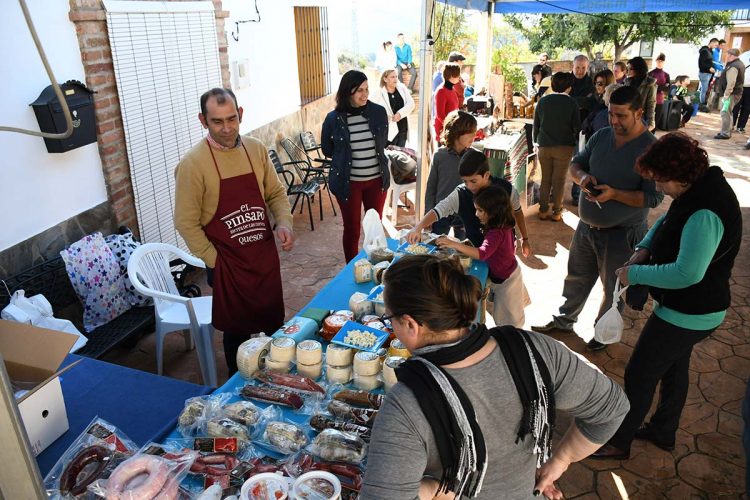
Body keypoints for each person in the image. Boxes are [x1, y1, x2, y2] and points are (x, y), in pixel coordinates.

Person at [361, 254, 630, 499]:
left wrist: (435, 488)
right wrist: (561, 459)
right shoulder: (535, 348)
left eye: (390, 319)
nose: (391, 325)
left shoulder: (406, 405)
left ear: (410, 324)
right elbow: (612, 408)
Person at [592, 133, 742, 460]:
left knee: (639, 373)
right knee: (674, 367)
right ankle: (663, 431)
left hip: (690, 312)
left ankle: (619, 441)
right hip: (694, 309)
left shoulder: (706, 209)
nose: (658, 188)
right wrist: (645, 248)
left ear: (681, 175)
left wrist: (636, 274)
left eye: (661, 181)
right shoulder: (697, 190)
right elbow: (666, 220)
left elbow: (687, 273)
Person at [531, 86, 664, 352]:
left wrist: (614, 194)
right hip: (586, 227)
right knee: (576, 278)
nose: (613, 121)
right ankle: (564, 320)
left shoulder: (651, 149)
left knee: (613, 290)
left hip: (622, 233)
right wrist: (582, 178)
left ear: (639, 113)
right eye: (611, 114)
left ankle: (602, 333)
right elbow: (576, 163)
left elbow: (653, 199)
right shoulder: (602, 136)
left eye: (621, 116)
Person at [174, 88, 294, 374]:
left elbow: (275, 193)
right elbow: (185, 222)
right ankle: (238, 387)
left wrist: (284, 222)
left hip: (263, 258)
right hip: (227, 263)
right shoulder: (193, 164)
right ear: (203, 121)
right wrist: (214, 260)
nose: (227, 128)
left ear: (240, 115)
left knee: (274, 329)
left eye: (231, 119)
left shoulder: (256, 149)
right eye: (217, 122)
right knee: (237, 335)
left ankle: (278, 379)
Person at [407, 148, 531, 258]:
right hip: (475, 250)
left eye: (473, 181)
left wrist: (524, 239)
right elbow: (438, 210)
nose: (469, 186)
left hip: (503, 252)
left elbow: (518, 212)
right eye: (465, 181)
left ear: (486, 175)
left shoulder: (507, 190)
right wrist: (418, 227)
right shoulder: (461, 193)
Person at [436, 185, 531, 327]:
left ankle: (512, 346)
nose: (476, 214)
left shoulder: (497, 232)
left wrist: (453, 244)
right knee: (509, 315)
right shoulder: (502, 225)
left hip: (507, 280)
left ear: (494, 212)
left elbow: (482, 253)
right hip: (507, 273)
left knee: (510, 323)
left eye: (480, 210)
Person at [321, 70, 390, 262]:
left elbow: (381, 143)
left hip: (376, 182)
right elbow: (327, 148)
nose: (365, 94)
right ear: (347, 92)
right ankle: (352, 269)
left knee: (375, 227)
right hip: (348, 184)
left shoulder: (378, 113)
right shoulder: (333, 119)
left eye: (367, 89)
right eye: (359, 90)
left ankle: (378, 267)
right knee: (352, 230)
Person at [533, 71, 581, 222]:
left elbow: (536, 125)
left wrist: (536, 141)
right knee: (559, 180)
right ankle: (557, 212)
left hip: (544, 146)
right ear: (569, 87)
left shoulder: (543, 101)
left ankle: (542, 210)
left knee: (546, 179)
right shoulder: (572, 103)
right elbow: (577, 127)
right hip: (564, 146)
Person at [426, 110, 477, 239]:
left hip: (465, 214)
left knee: (463, 250)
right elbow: (431, 187)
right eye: (470, 133)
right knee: (437, 248)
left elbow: (480, 189)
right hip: (440, 213)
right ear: (456, 133)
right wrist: (428, 213)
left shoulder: (474, 156)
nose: (474, 137)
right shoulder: (439, 156)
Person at [569, 55, 595, 204]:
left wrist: (573, 101)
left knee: (579, 161)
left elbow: (590, 103)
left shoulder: (590, 83)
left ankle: (577, 194)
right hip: (565, 127)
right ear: (572, 66)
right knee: (560, 162)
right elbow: (564, 101)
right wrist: (580, 102)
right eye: (577, 67)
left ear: (587, 67)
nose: (579, 71)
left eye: (583, 68)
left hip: (583, 128)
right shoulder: (566, 81)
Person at [376, 68, 415, 147]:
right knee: (389, 157)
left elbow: (411, 103)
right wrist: (384, 117)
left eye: (396, 76)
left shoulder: (402, 88)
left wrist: (400, 114)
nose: (395, 79)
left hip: (402, 130)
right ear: (385, 79)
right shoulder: (378, 93)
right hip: (388, 133)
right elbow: (370, 109)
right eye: (392, 77)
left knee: (401, 156)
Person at [714, 48, 746, 140]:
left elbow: (731, 82)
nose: (726, 56)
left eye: (727, 54)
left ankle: (725, 133)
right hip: (735, 92)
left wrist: (726, 94)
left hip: (731, 94)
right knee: (728, 112)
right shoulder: (739, 64)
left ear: (731, 55)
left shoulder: (733, 66)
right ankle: (727, 131)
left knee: (725, 112)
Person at [625, 56, 657, 132]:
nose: (628, 71)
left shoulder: (650, 84)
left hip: (641, 119)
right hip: (627, 117)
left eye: (631, 69)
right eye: (627, 69)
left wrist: (650, 124)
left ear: (638, 69)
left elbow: (651, 104)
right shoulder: (628, 82)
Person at [581, 69, 615, 141]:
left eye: (600, 84)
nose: (597, 86)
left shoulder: (612, 102)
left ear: (608, 84)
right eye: (595, 83)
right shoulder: (594, 97)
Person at [434, 62, 461, 142]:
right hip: (444, 131)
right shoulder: (441, 91)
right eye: (457, 75)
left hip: (452, 129)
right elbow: (440, 115)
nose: (459, 78)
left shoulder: (452, 89)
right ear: (451, 76)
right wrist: (452, 127)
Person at [648, 53, 671, 126]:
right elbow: (649, 86)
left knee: (657, 119)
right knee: (649, 119)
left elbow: (668, 88)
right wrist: (662, 86)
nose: (660, 63)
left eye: (661, 61)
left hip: (660, 99)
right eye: (658, 61)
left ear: (664, 62)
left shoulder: (666, 75)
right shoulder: (651, 73)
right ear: (656, 61)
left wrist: (657, 86)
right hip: (651, 98)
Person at [698, 38, 719, 110]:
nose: (716, 47)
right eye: (715, 45)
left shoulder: (710, 51)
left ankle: (701, 103)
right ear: (711, 42)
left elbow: (709, 62)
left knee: (703, 89)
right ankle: (702, 105)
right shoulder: (704, 51)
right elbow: (701, 63)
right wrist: (709, 68)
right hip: (704, 73)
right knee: (704, 89)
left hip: (708, 74)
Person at [732, 60, 750, 133]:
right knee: (737, 106)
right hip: (740, 86)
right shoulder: (744, 56)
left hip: (746, 87)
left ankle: (740, 126)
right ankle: (733, 125)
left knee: (746, 108)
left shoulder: (743, 56)